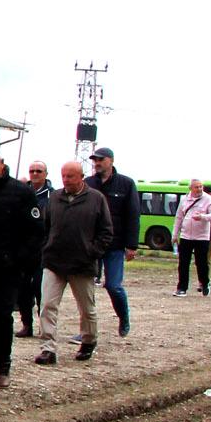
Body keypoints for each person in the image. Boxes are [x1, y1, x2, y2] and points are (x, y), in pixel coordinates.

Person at [0, 145, 43, 391]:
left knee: (2, 319)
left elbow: (35, 234)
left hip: (7, 271)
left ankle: (2, 366)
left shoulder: (21, 192)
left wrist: (19, 262)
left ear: (1, 164)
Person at [34, 160, 112, 365]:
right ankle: (48, 348)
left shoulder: (96, 199)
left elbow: (106, 232)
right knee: (47, 305)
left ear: (81, 177)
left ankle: (88, 340)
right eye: (64, 176)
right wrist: (46, 247)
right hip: (54, 261)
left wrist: (92, 252)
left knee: (86, 308)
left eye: (70, 176)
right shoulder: (55, 198)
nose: (66, 180)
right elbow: (46, 227)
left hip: (82, 264)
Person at [87, 147, 138, 336]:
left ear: (111, 161)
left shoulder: (126, 184)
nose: (97, 163)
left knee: (113, 286)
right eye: (95, 160)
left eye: (101, 159)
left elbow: (133, 215)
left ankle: (123, 317)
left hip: (115, 245)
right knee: (86, 288)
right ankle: (87, 329)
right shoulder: (88, 183)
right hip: (92, 244)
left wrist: (131, 245)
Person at [18, 160, 53, 335]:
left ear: (46, 173)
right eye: (32, 171)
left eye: (39, 171)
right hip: (23, 250)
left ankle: (43, 325)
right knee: (23, 290)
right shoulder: (22, 192)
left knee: (41, 289)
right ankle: (26, 324)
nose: (35, 174)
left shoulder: (52, 196)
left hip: (43, 250)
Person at [172, 178, 211, 298]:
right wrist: (175, 234)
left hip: (202, 237)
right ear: (190, 188)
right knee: (183, 263)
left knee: (201, 262)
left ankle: (204, 283)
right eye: (196, 187)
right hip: (186, 235)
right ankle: (182, 288)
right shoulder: (185, 199)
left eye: (201, 186)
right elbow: (179, 217)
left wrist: (202, 217)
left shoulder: (208, 199)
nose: (199, 189)